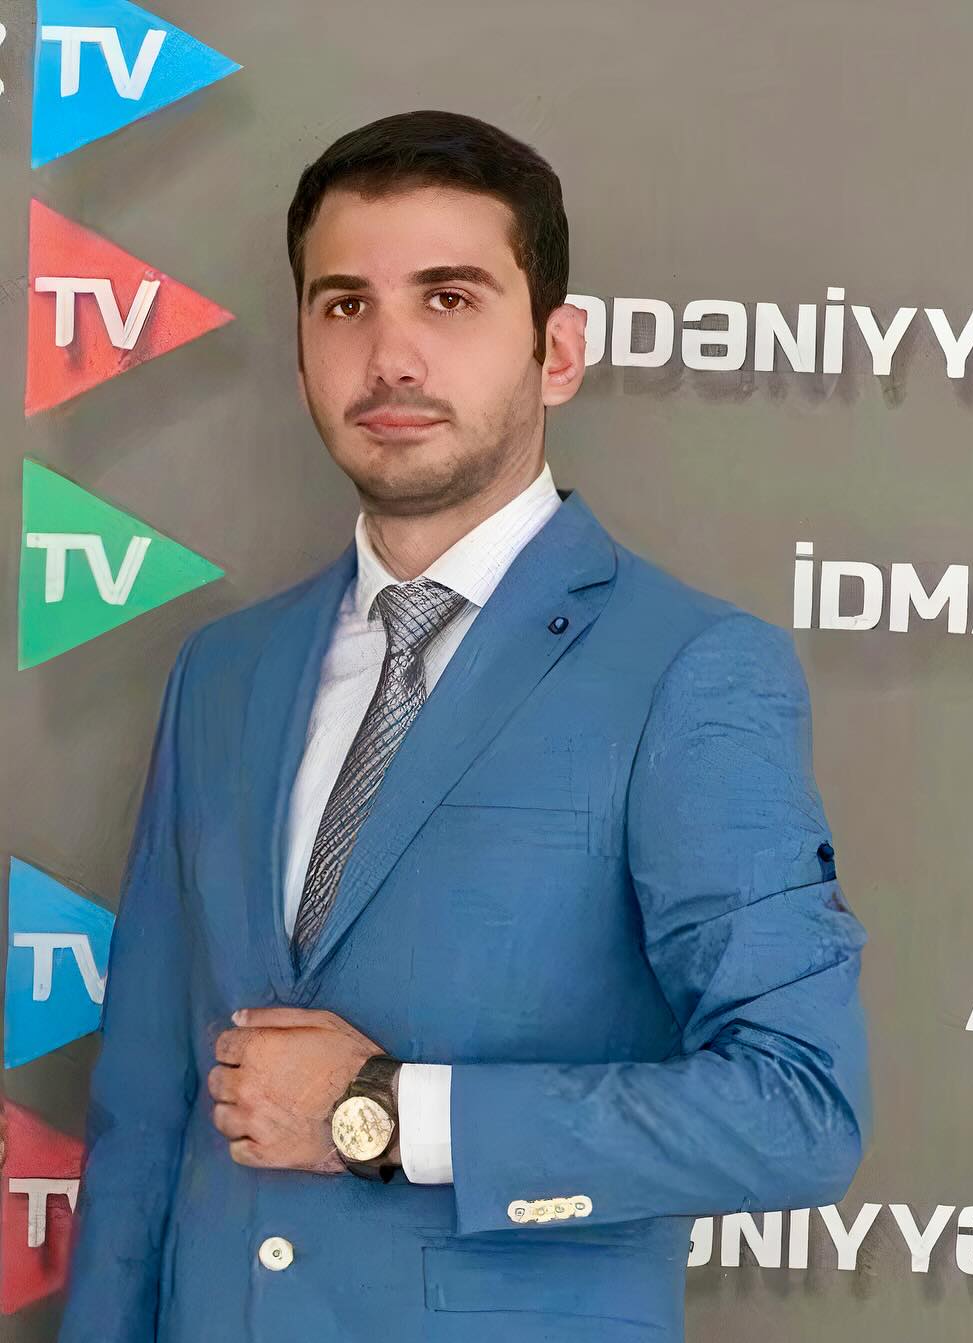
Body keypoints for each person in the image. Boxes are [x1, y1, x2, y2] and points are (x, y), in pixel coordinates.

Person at [55, 110, 871, 1343]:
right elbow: (146, 1114)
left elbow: (798, 1110)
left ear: (558, 350)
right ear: (301, 351)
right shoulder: (223, 672)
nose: (390, 355)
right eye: (344, 305)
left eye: (448, 299)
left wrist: (386, 1111)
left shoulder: (688, 669)